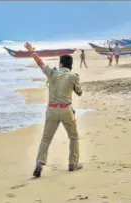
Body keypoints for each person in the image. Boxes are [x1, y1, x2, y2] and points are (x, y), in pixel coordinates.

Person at [24, 42, 83, 178]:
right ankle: (73, 164)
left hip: (51, 110)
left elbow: (40, 63)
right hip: (66, 110)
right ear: (70, 65)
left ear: (61, 64)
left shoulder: (52, 73)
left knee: (46, 139)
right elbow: (79, 92)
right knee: (73, 137)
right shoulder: (73, 76)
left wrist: (31, 51)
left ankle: (39, 163)